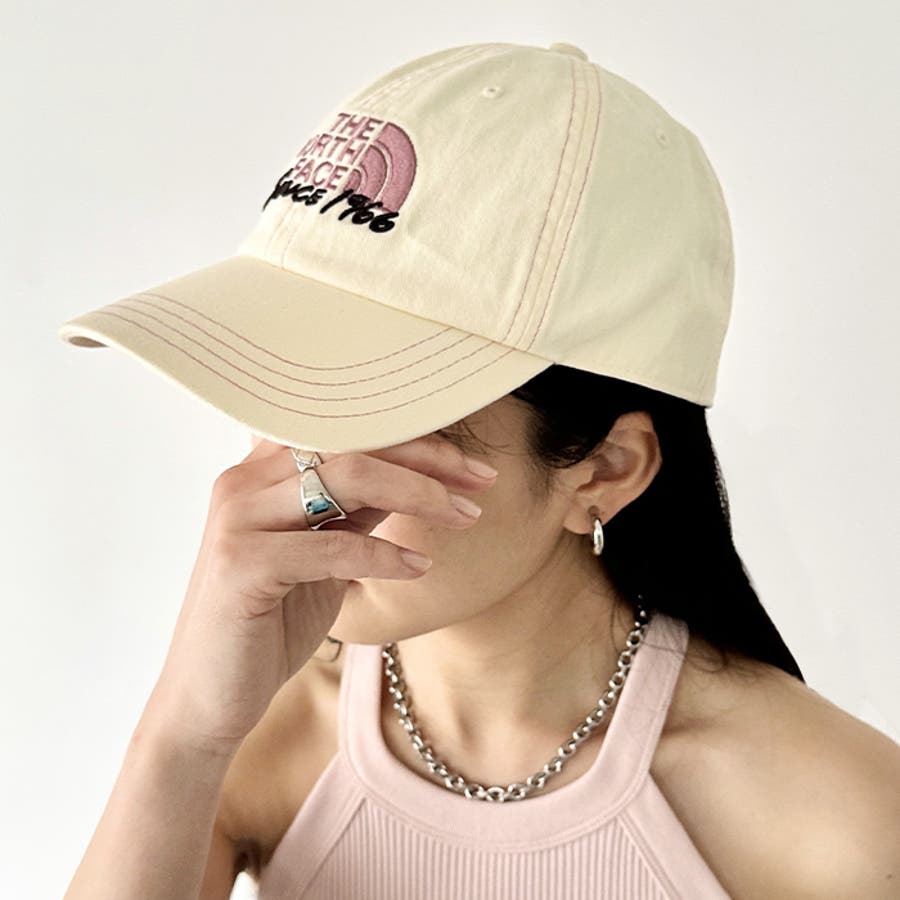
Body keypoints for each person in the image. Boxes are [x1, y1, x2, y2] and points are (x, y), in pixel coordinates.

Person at [58, 40, 900, 900]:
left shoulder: (842, 820)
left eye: (371, 416)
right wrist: (182, 738)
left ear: (606, 470)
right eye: (280, 395)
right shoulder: (246, 740)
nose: (299, 490)